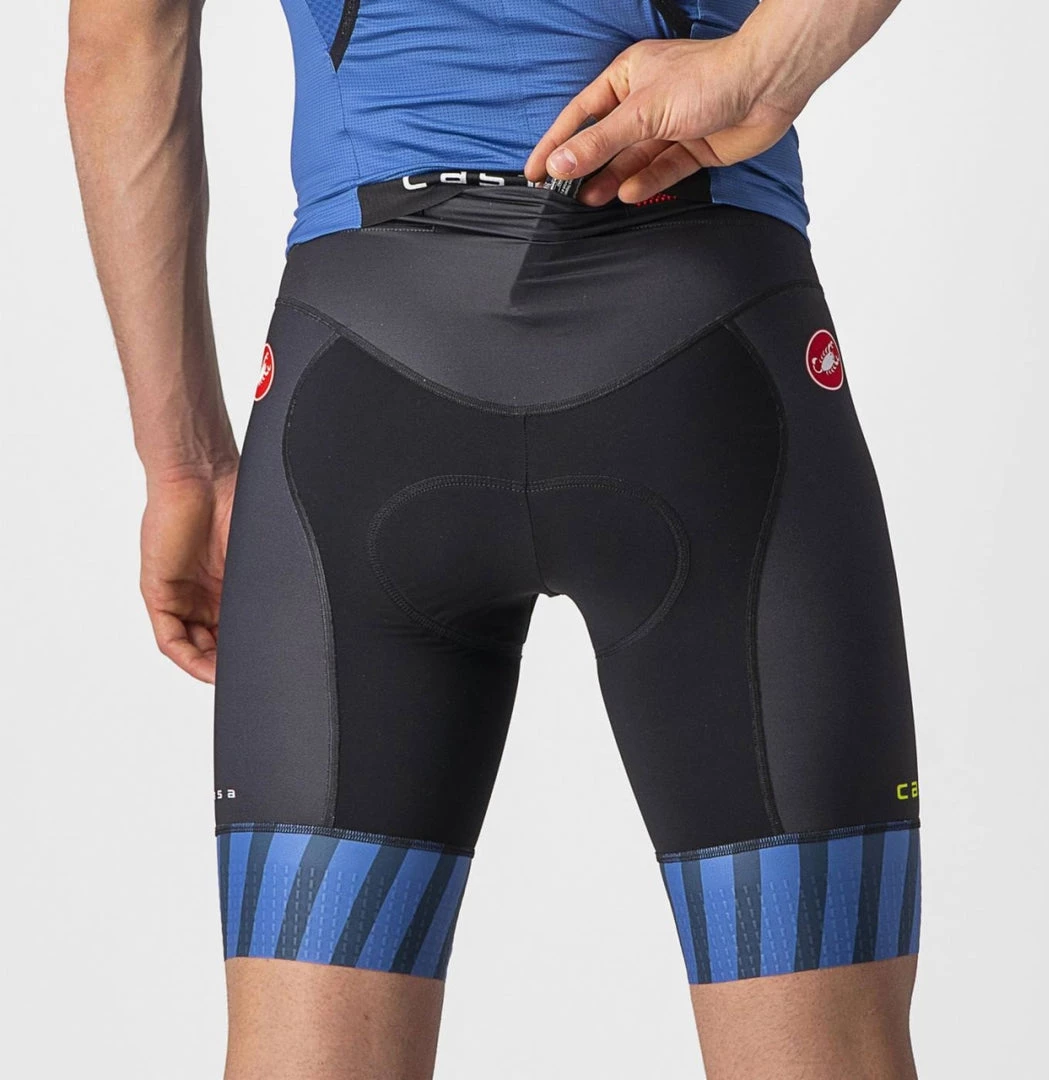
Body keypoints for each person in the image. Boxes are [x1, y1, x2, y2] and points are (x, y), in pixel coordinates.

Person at [66, 1, 921, 1076]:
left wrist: (184, 463)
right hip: (712, 365)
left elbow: (122, 42)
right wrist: (762, 63)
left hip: (360, 383)